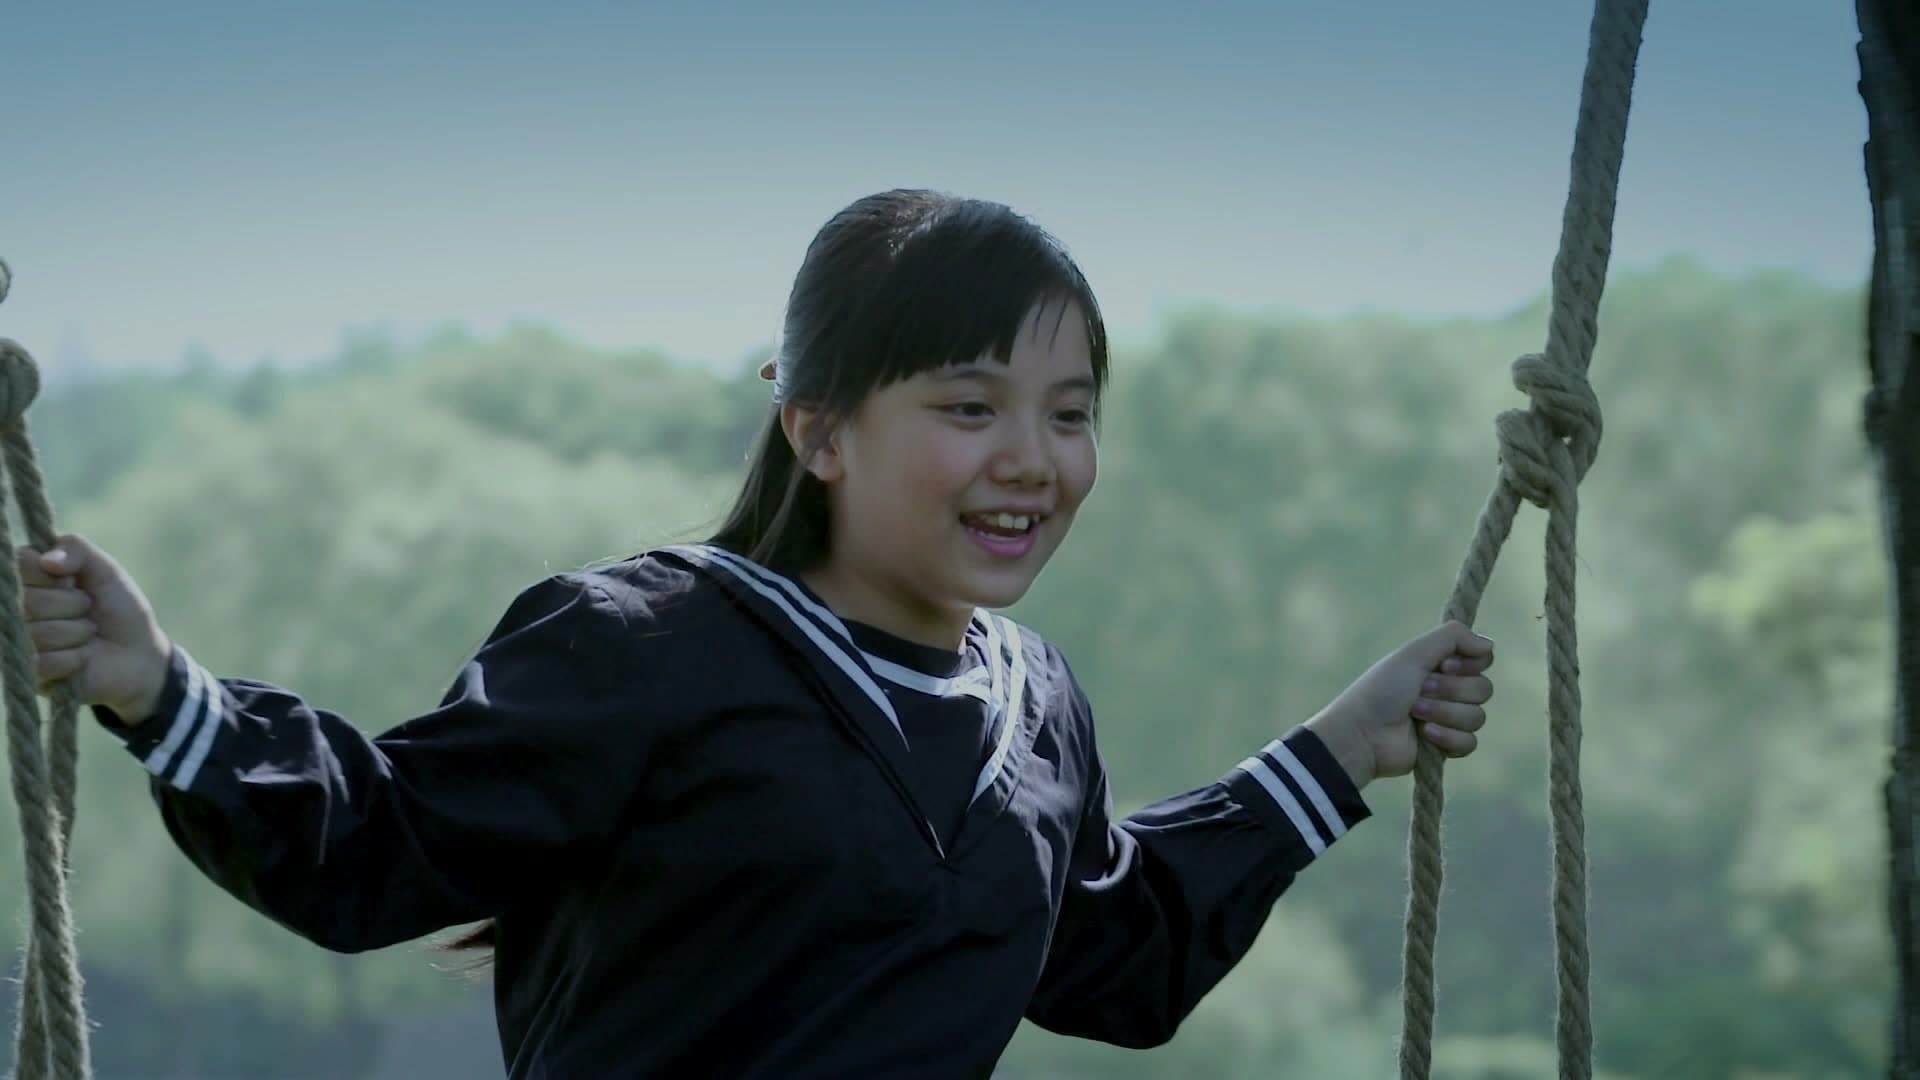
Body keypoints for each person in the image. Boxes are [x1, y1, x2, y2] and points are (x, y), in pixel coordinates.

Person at [20, 188, 1495, 1079]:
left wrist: (1341, 750)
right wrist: (163, 692)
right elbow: (377, 844)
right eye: (968, 406)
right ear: (820, 431)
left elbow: (1114, 956)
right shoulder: (646, 645)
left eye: (1069, 414)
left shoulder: (1035, 702)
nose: (1032, 461)